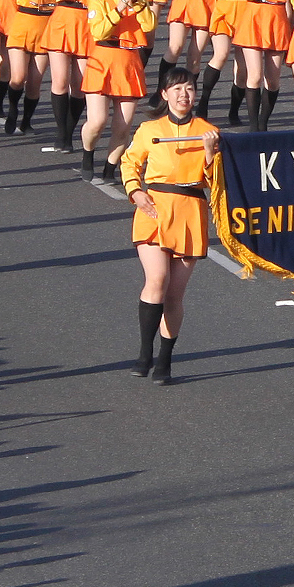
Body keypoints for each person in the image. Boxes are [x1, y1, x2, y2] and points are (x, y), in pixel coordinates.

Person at [121, 77, 218, 385]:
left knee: (174, 296)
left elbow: (216, 181)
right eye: (176, 89)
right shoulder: (150, 130)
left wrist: (209, 153)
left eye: (189, 89)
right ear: (164, 94)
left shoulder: (208, 130)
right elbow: (129, 163)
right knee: (157, 279)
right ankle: (144, 351)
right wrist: (136, 192)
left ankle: (165, 358)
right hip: (154, 208)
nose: (183, 95)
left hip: (190, 211)